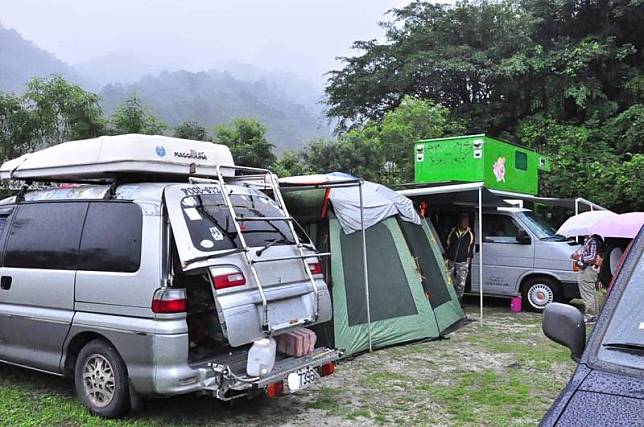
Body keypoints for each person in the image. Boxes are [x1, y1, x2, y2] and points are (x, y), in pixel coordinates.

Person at [571, 234, 602, 323]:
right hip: (589, 269)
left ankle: (590, 316)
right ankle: (595, 315)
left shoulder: (592, 241)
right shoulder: (592, 240)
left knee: (587, 293)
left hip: (587, 270)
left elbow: (592, 257)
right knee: (592, 292)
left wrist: (579, 257)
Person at [445, 213, 474, 301]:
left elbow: (470, 250)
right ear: (459, 222)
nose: (465, 223)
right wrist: (446, 258)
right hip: (451, 260)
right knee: (448, 281)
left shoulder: (470, 234)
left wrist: (467, 263)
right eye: (463, 221)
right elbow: (447, 244)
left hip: (462, 262)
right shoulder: (452, 232)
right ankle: (448, 300)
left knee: (461, 284)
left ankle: (458, 302)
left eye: (466, 221)